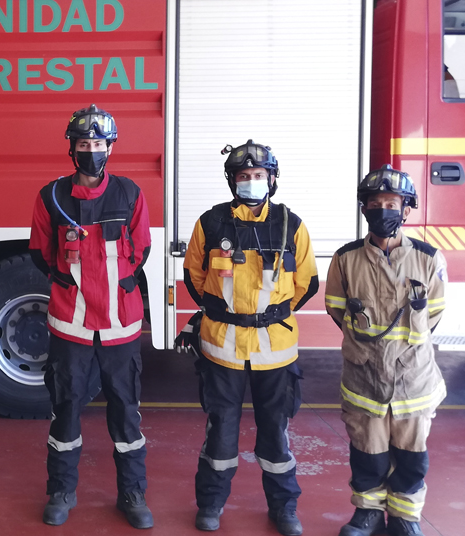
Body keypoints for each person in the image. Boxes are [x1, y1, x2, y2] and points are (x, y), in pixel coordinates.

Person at [179, 140, 317, 535]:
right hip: (222, 348)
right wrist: (228, 314)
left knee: (276, 434)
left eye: (259, 176)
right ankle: (210, 504)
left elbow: (306, 282)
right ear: (232, 181)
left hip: (275, 352)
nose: (252, 182)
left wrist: (268, 315)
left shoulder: (292, 224)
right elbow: (194, 275)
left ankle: (284, 508)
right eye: (244, 177)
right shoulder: (211, 222)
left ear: (271, 180)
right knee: (221, 431)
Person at [28, 105, 153, 529]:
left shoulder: (130, 193)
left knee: (126, 412)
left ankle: (132, 494)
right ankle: (61, 492)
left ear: (110, 148)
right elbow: (41, 252)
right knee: (65, 408)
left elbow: (141, 251)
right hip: (71, 325)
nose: (92, 152)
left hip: (120, 325)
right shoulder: (51, 196)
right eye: (84, 145)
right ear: (72, 149)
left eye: (99, 144)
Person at [325, 165, 446, 536]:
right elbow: (335, 307)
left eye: (391, 203)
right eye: (374, 203)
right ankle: (368, 514)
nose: (382, 210)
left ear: (406, 209)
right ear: (364, 209)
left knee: (412, 456)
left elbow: (436, 313)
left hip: (414, 380)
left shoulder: (427, 258)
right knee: (367, 453)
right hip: (365, 379)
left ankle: (406, 518)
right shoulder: (346, 259)